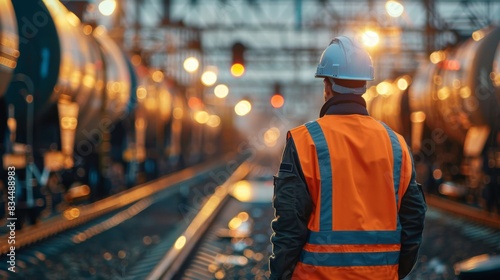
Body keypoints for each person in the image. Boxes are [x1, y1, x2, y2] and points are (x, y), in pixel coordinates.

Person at [269, 36, 427, 280]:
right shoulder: (396, 144)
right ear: (364, 85)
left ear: (328, 86)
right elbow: (414, 218)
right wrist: (395, 269)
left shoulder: (304, 141)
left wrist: (279, 275)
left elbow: (289, 226)